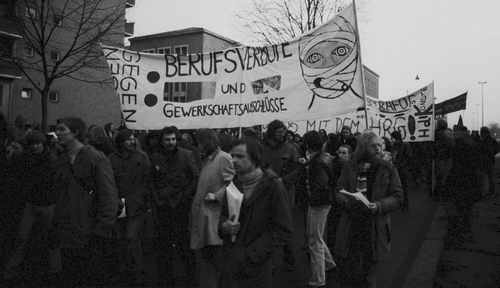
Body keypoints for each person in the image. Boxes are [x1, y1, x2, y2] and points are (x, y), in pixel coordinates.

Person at [52, 117, 119, 286]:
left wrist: (102, 228)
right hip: (67, 230)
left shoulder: (95, 158)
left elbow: (109, 195)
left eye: (62, 129)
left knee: (89, 275)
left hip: (90, 231)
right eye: (57, 129)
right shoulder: (62, 158)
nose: (57, 133)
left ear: (75, 132)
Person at [220, 138, 293, 288]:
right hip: (232, 264)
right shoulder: (234, 183)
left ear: (255, 158)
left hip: (260, 266)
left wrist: (251, 255)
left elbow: (283, 229)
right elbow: (222, 216)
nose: (234, 160)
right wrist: (224, 226)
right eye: (232, 155)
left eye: (240, 156)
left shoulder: (273, 186)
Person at [334, 131, 403, 287]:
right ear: (364, 147)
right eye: (374, 146)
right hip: (351, 226)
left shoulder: (388, 168)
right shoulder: (350, 166)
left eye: (380, 145)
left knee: (369, 272)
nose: (378, 149)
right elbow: (338, 190)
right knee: (349, 270)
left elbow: (398, 197)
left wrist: (379, 205)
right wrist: (347, 202)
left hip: (374, 226)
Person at [3, 131, 59, 281]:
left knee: (47, 238)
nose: (35, 146)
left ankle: (53, 269)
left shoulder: (49, 160)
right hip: (36, 202)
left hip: (45, 203)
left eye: (37, 143)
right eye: (32, 144)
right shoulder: (33, 158)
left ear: (42, 143)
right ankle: (50, 269)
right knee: (24, 237)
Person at [150, 126, 199, 286]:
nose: (170, 142)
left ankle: (190, 278)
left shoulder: (187, 155)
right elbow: (152, 181)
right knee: (164, 244)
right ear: (162, 141)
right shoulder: (155, 157)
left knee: (184, 243)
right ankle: (166, 278)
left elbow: (195, 178)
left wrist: (185, 196)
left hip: (180, 206)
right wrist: (157, 199)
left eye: (173, 139)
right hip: (163, 207)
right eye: (167, 139)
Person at [190, 129, 235, 288]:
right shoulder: (208, 160)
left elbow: (233, 184)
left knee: (217, 265)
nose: (199, 147)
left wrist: (216, 196)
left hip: (214, 219)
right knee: (208, 263)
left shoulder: (223, 158)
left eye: (201, 143)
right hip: (205, 217)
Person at [109, 129, 151, 284]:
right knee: (120, 239)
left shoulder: (141, 157)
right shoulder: (112, 158)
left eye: (133, 139)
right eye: (128, 139)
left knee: (131, 237)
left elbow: (147, 179)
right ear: (120, 142)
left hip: (136, 204)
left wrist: (142, 198)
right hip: (118, 204)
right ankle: (123, 269)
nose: (132, 142)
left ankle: (138, 271)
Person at [298, 131, 336, 287]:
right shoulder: (323, 158)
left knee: (314, 241)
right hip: (321, 203)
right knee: (316, 236)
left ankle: (318, 280)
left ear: (308, 145)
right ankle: (328, 263)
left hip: (318, 203)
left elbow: (321, 186)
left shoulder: (317, 162)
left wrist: (312, 199)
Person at [262, 120, 299, 270]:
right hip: (266, 188)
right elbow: (258, 163)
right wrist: (267, 172)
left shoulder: (291, 148)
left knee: (285, 221)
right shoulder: (263, 147)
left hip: (286, 190)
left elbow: (297, 170)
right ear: (272, 132)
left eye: (283, 131)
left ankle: (289, 255)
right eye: (279, 131)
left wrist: (283, 181)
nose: (282, 134)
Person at [447, 125, 481, 246]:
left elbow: (455, 166)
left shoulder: (459, 146)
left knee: (461, 208)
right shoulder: (471, 144)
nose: (454, 134)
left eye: (455, 132)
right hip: (470, 181)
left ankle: (463, 233)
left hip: (461, 181)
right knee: (466, 208)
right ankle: (466, 232)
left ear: (460, 133)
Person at [390, 131, 413, 211]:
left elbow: (409, 157)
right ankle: (401, 203)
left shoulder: (405, 145)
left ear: (396, 138)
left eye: (392, 138)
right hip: (396, 170)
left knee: (404, 187)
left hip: (402, 170)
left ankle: (405, 204)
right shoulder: (394, 146)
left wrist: (403, 165)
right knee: (398, 187)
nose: (391, 140)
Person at [479, 127, 499, 198]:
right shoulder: (491, 140)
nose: (481, 134)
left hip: (486, 161)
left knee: (486, 177)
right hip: (489, 160)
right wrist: (492, 153)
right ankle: (491, 192)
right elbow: (497, 149)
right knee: (490, 177)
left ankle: (488, 192)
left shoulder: (484, 141)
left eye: (482, 132)